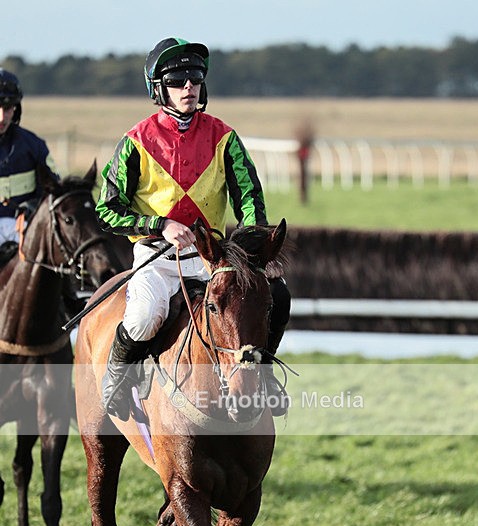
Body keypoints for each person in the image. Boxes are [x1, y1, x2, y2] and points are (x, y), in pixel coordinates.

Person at [96, 36, 291, 422]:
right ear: (158, 89)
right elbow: (106, 209)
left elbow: (249, 196)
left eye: (195, 78)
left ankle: (262, 375)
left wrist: (251, 245)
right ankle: (116, 380)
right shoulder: (135, 142)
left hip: (212, 258)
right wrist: (160, 225)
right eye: (178, 80)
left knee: (275, 296)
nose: (188, 86)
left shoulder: (225, 138)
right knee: (145, 315)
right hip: (156, 256)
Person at [0, 68, 58, 261]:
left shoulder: (34, 146)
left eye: (7, 108)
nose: (2, 117)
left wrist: (32, 207)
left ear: (16, 109)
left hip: (26, 228)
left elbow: (53, 190)